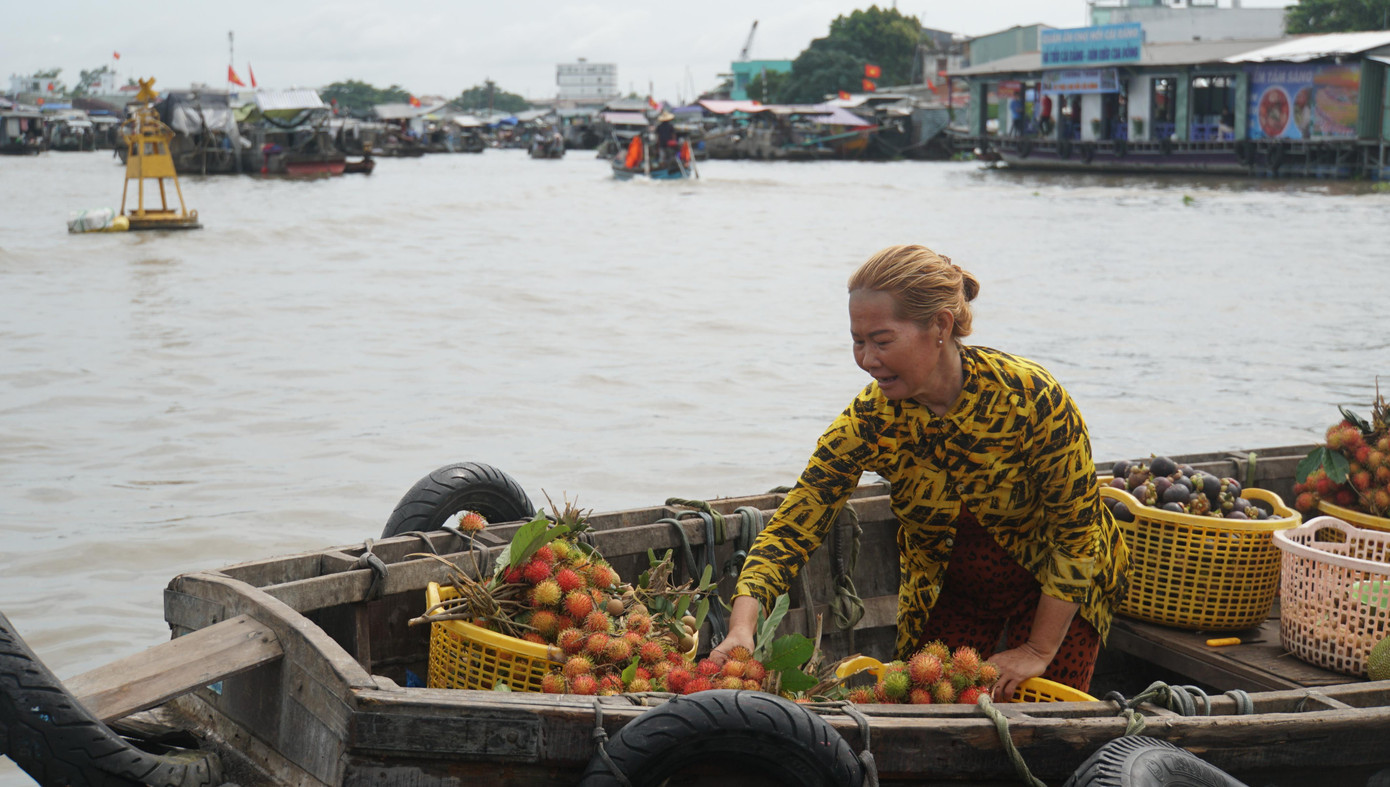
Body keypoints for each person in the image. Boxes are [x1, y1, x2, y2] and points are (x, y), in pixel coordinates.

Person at [712, 245, 1129, 699]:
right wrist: (741, 628)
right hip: (950, 588)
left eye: (882, 341)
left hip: (1057, 590)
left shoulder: (1030, 399)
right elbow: (794, 526)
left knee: (1049, 717)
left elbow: (1077, 535)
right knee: (925, 703)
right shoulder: (870, 421)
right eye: (857, 341)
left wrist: (1036, 648)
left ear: (940, 326)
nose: (867, 359)